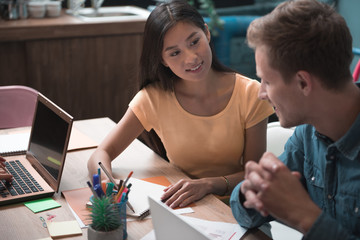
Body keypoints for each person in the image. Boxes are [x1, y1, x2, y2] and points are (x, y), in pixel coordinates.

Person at [88, 0, 273, 208]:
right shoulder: (153, 98)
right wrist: (106, 183)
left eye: (194, 42)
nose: (191, 58)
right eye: (175, 53)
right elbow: (100, 154)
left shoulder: (250, 94)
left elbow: (254, 176)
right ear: (163, 60)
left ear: (207, 33)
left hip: (237, 209)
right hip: (182, 208)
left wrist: (208, 185)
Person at [230, 0, 360, 239]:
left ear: (302, 82)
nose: (261, 94)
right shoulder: (308, 132)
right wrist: (250, 191)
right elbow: (243, 209)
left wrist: (305, 216)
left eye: (267, 82)